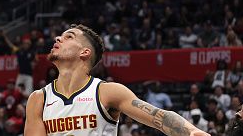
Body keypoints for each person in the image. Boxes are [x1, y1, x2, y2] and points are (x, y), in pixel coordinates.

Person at [24, 24, 210, 136]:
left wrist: (190, 131)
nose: (58, 38)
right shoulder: (38, 99)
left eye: (69, 36)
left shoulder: (106, 92)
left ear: (85, 52)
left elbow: (157, 116)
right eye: (60, 36)